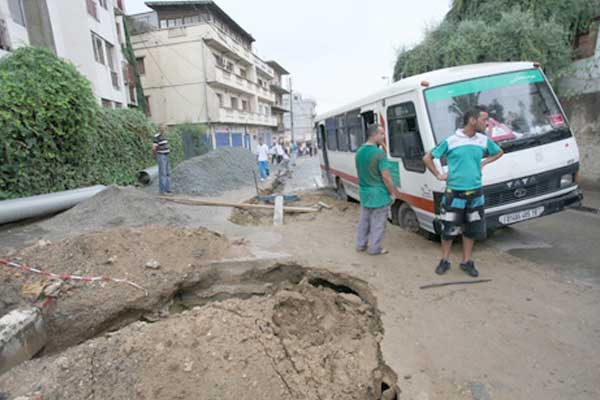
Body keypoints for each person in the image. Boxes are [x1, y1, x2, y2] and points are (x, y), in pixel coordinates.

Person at [423, 106, 504, 277]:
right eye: (484, 119)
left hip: (475, 193)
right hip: (454, 194)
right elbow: (427, 158)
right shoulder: (451, 140)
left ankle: (466, 262)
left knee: (471, 229)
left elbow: (499, 152)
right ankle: (444, 260)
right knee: (448, 230)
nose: (487, 123)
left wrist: (483, 163)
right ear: (472, 120)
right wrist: (438, 174)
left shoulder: (483, 140)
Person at [355, 125, 402, 255]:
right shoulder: (378, 153)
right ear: (374, 135)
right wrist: (392, 193)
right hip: (379, 194)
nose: (384, 136)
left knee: (364, 221)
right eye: (381, 134)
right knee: (378, 223)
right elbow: (386, 177)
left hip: (364, 193)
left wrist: (383, 146)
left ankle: (360, 245)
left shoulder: (359, 152)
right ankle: (374, 248)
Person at [152, 123, 171, 195]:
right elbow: (154, 147)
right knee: (163, 173)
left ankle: (168, 189)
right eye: (162, 128)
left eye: (165, 128)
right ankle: (162, 191)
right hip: (161, 156)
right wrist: (154, 155)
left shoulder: (165, 136)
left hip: (166, 155)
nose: (164, 129)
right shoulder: (157, 136)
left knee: (168, 172)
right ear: (160, 129)